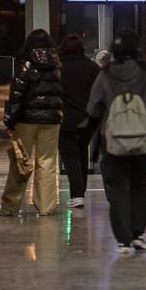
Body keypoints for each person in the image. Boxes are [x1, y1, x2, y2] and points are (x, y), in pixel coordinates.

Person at [86, 29, 146, 254]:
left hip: (112, 144)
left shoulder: (106, 74)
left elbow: (92, 107)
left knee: (118, 189)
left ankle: (123, 239)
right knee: (140, 186)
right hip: (142, 142)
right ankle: (138, 233)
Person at [0, 29, 63, 217]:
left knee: (20, 161)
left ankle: (10, 206)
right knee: (47, 162)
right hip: (51, 120)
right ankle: (46, 206)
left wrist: (10, 120)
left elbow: (17, 94)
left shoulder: (26, 63)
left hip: (27, 119)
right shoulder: (56, 64)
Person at [58, 35, 101, 209]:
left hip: (65, 118)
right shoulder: (92, 67)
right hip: (88, 119)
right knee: (81, 152)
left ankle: (77, 195)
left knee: (70, 157)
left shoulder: (59, 68)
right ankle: (80, 192)